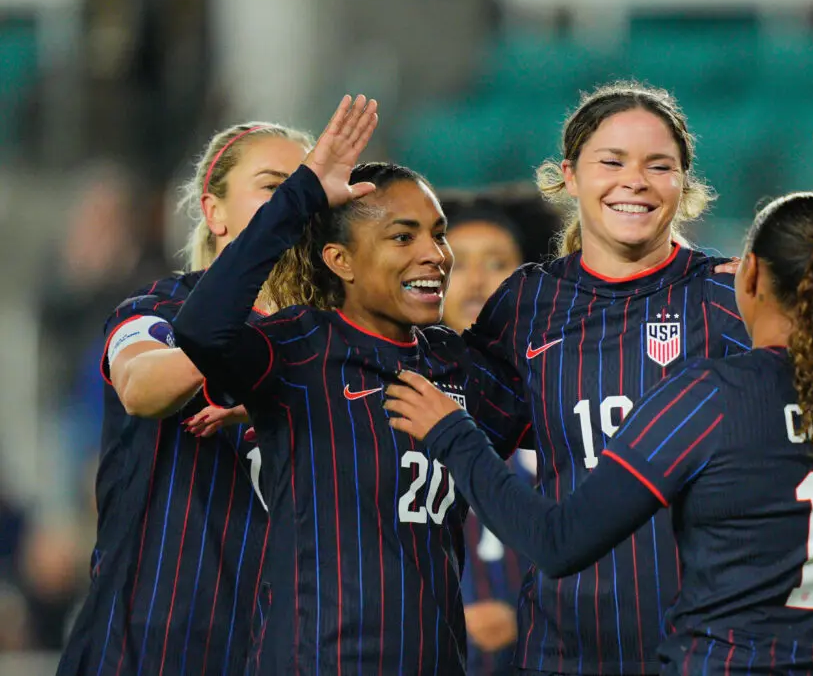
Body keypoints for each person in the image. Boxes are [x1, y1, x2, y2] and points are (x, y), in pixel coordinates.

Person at [445, 81, 813, 675]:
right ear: (569, 175)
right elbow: (473, 451)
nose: (635, 180)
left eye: (658, 165)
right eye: (612, 161)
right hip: (565, 651)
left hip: (711, 652)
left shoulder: (734, 295)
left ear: (685, 180)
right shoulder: (526, 303)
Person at [171, 95, 530, 675]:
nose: (435, 255)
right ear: (340, 259)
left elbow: (557, 416)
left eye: (438, 236)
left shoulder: (456, 364)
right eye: (402, 237)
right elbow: (201, 329)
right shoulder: (298, 347)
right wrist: (302, 193)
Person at [57, 121, 312, 675]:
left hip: (288, 647)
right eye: (275, 188)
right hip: (150, 646)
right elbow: (142, 388)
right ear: (214, 212)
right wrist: (242, 362)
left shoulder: (332, 340)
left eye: (308, 189)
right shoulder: (158, 308)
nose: (296, 206)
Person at [440, 194, 531, 676]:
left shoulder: (563, 398)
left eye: (496, 263)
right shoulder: (388, 395)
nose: (476, 281)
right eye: (456, 264)